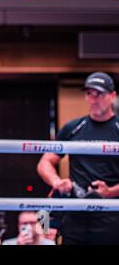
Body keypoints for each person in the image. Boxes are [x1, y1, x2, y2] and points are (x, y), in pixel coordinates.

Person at [37, 72, 119, 245]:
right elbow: (45, 162)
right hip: (76, 214)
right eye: (90, 93)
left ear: (113, 96)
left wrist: (111, 191)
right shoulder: (73, 128)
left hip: (112, 214)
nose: (94, 99)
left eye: (100, 94)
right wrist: (56, 182)